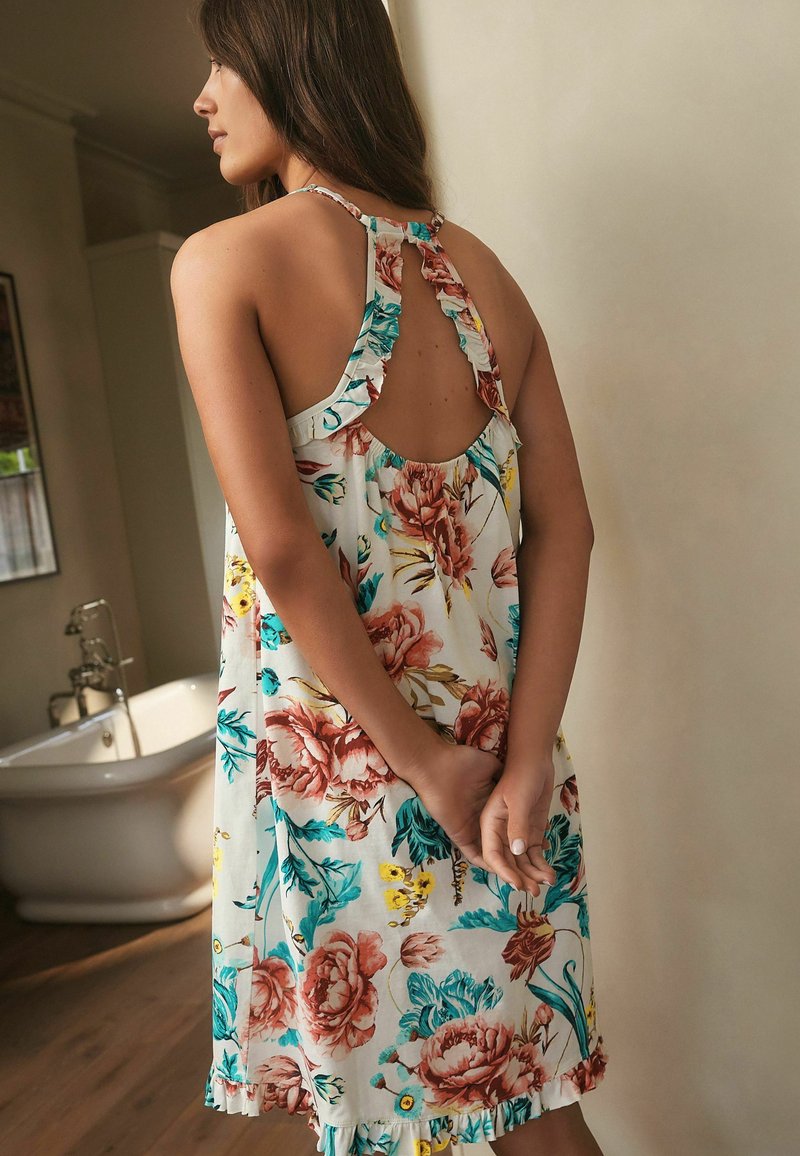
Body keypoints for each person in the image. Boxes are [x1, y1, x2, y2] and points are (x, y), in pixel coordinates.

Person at [172, 2, 609, 1154]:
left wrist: (422, 765)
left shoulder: (224, 263)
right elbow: (565, 530)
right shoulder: (484, 274)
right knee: (533, 1108)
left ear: (288, 58)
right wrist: (520, 760)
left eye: (220, 63)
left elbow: (283, 549)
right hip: (503, 775)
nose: (202, 98)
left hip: (355, 782)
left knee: (383, 1121)